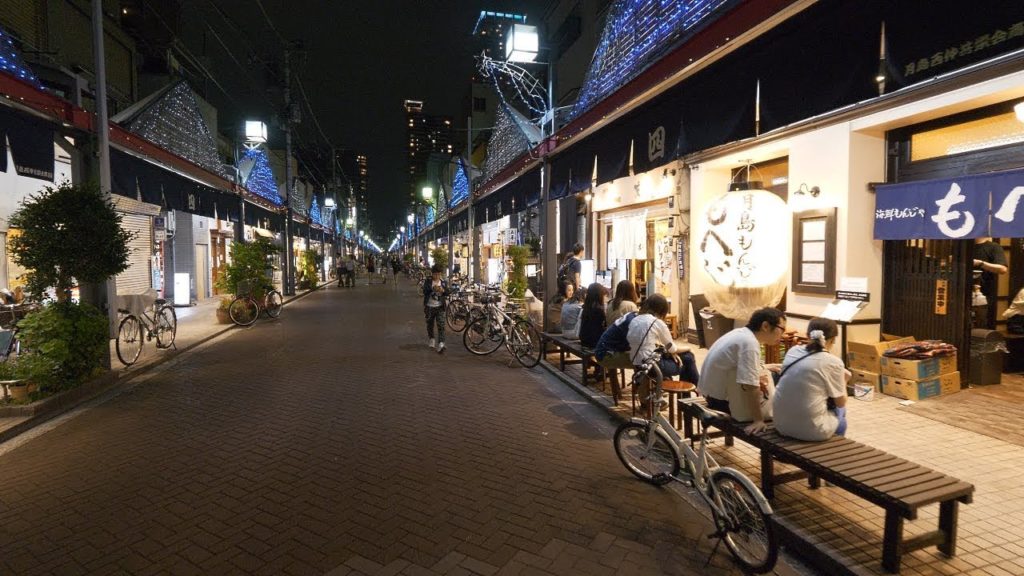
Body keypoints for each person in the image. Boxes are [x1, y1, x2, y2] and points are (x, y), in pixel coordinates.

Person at [699, 307, 786, 435]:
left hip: (710, 394)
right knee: (779, 385)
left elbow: (737, 366)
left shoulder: (740, 333)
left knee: (773, 373)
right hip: (721, 403)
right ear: (766, 326)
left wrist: (767, 366)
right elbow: (751, 386)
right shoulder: (749, 343)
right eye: (782, 329)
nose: (782, 335)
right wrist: (758, 420)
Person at [772, 318, 849, 441]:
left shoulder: (793, 351)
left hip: (780, 424)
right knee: (841, 412)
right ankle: (834, 450)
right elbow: (840, 402)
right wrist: (844, 380)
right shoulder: (834, 362)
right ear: (833, 339)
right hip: (813, 431)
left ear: (808, 335)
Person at [627, 293, 699, 384]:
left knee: (684, 359)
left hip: (636, 362)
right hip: (653, 367)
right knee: (688, 358)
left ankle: (697, 389)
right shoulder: (656, 322)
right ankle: (698, 388)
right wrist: (688, 348)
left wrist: (671, 352)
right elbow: (672, 348)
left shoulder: (635, 319)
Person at [973, 237, 1007, 329]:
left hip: (984, 293)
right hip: (961, 292)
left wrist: (981, 263)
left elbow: (1002, 269)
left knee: (981, 325)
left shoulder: (993, 247)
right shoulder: (963, 246)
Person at [422, 264, 449, 353]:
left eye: (438, 274)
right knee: (430, 324)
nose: (437, 276)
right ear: (432, 273)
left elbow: (448, 292)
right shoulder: (428, 281)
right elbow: (424, 291)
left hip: (440, 307)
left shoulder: (443, 282)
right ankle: (432, 339)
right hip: (429, 307)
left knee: (441, 326)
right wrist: (432, 289)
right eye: (435, 274)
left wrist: (443, 290)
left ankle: (441, 343)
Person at [578, 283, 608, 349]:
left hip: (584, 340)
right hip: (594, 342)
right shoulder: (598, 310)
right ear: (599, 295)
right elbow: (603, 327)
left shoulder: (586, 307)